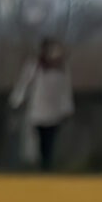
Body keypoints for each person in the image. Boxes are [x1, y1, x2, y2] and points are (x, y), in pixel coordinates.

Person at [10, 36, 75, 172]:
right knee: (40, 139)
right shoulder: (34, 66)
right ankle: (43, 165)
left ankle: (47, 165)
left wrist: (67, 108)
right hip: (38, 109)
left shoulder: (62, 67)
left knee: (50, 139)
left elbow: (66, 89)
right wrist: (16, 100)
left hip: (55, 109)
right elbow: (24, 83)